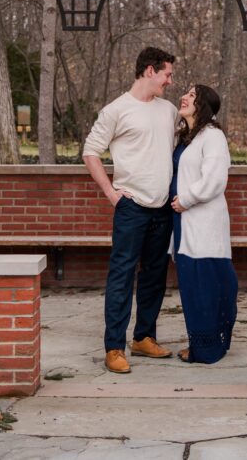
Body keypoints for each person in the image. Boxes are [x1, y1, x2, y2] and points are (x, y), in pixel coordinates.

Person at [83, 46, 180, 374]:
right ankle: (114, 347)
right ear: (150, 71)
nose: (170, 80)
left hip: (162, 208)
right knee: (121, 276)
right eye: (167, 73)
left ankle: (144, 337)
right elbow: (90, 152)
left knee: (155, 276)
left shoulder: (168, 111)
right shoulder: (116, 110)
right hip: (131, 208)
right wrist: (111, 193)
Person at [170, 84, 238, 364]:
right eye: (186, 92)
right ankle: (199, 343)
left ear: (203, 106)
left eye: (192, 95)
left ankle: (208, 348)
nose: (184, 97)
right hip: (185, 223)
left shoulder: (212, 136)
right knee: (192, 287)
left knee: (207, 286)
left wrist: (186, 198)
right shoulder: (187, 137)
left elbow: (215, 180)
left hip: (203, 224)